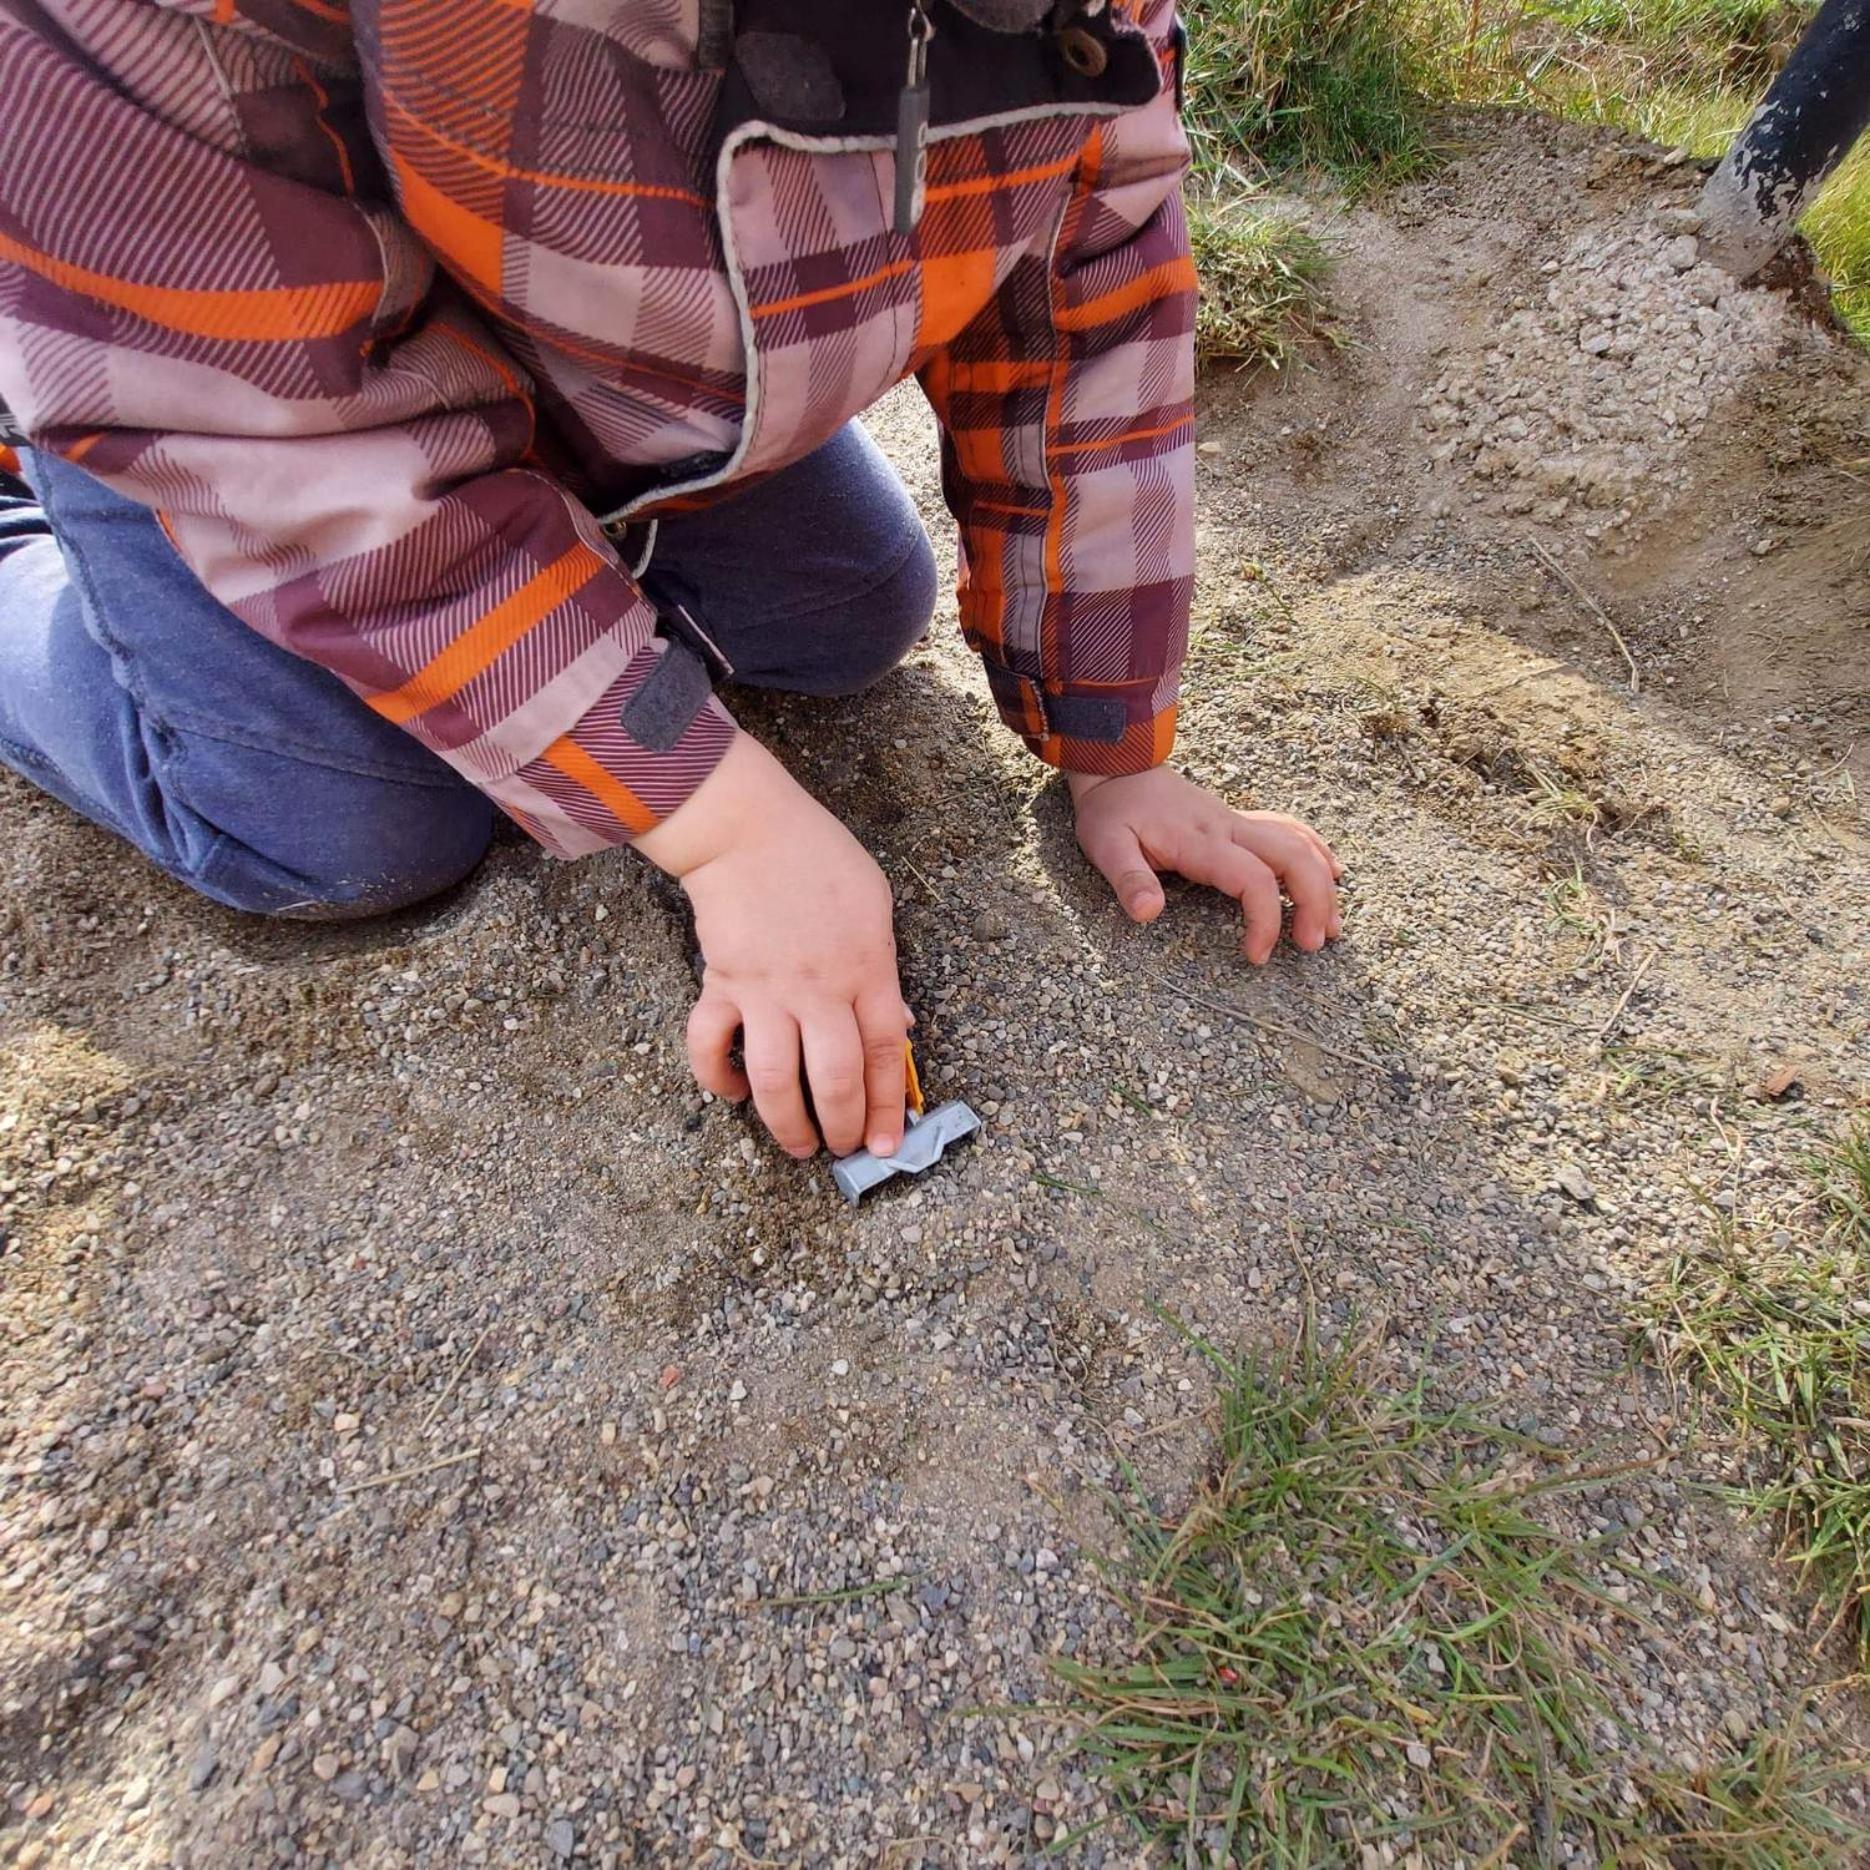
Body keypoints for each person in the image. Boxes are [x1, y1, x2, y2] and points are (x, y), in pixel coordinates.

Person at [0, 0, 1341, 1166]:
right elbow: (291, 425)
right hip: (214, 372)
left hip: (587, 351)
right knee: (347, 828)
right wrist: (720, 823)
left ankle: (527, 522)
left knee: (851, 608)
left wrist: (1112, 737)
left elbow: (1085, 274)